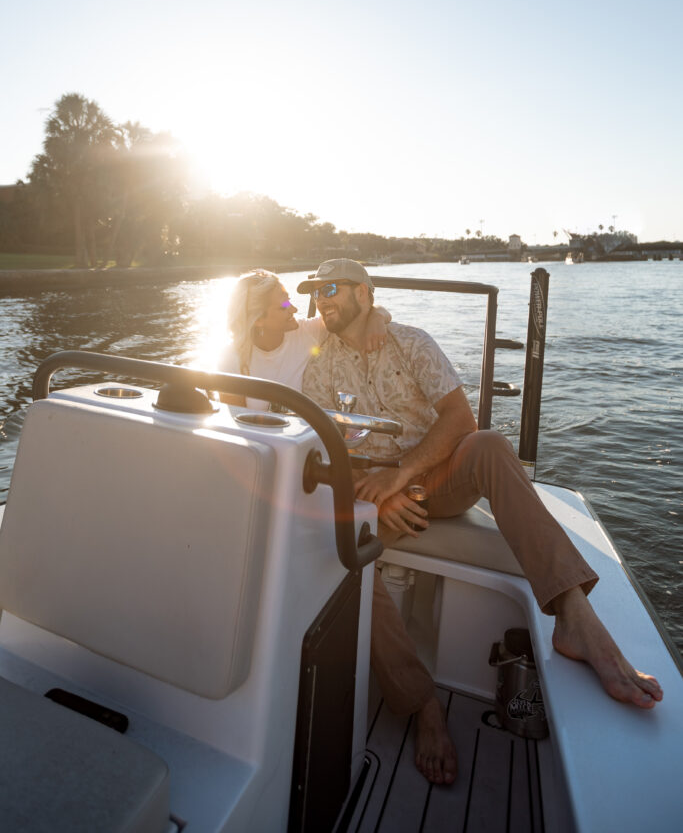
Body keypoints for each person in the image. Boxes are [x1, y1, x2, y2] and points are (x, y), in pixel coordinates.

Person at [299, 258, 663, 786]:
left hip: (431, 478)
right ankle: (423, 703)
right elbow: (324, 449)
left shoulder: (412, 342)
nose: (321, 299)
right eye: (314, 290)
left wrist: (403, 474)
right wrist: (374, 498)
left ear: (365, 293)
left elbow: (459, 419)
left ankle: (576, 618)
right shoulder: (319, 367)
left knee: (489, 444)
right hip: (376, 497)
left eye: (330, 288)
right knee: (352, 560)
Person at [216, 268, 390, 409]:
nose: (294, 309)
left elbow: (353, 314)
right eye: (283, 306)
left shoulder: (306, 332)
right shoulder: (231, 358)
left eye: (289, 301)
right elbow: (236, 422)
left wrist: (377, 317)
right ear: (259, 320)